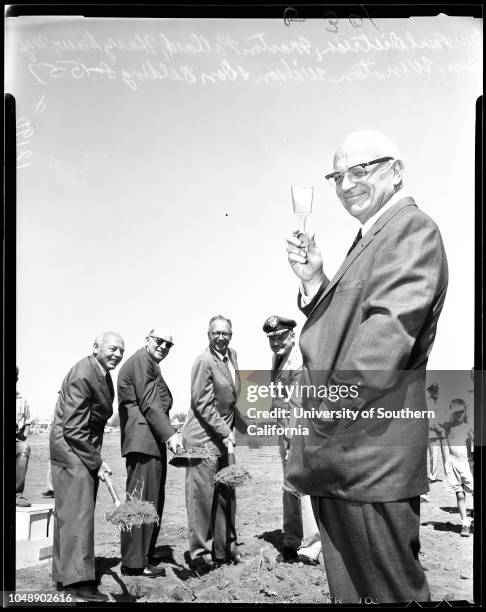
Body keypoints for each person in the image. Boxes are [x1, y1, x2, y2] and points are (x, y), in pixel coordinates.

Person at [285, 130, 448, 603]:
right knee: (354, 593)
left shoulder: (410, 229)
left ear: (396, 171)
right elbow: (345, 330)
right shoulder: (373, 236)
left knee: (389, 594)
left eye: (361, 170)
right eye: (338, 175)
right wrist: (316, 280)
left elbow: (379, 351)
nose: (346, 184)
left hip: (370, 460)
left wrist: (315, 414)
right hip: (346, 460)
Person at [50, 332, 125, 602]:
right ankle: (78, 585)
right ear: (96, 347)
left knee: (71, 514)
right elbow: (72, 427)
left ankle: (64, 577)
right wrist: (97, 461)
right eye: (113, 348)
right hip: (72, 450)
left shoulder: (103, 374)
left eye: (121, 351)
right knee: (78, 515)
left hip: (81, 447)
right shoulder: (83, 373)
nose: (117, 354)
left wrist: (95, 459)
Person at [118, 328, 183, 577]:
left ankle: (142, 553)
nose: (163, 346)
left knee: (151, 500)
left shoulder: (148, 363)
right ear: (147, 340)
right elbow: (149, 403)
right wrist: (170, 434)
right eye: (159, 341)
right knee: (141, 501)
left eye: (169, 344)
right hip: (143, 443)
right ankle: (134, 563)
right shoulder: (141, 361)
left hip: (150, 443)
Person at [182, 315, 241, 571]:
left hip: (224, 439)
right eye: (216, 333)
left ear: (231, 334)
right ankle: (200, 556)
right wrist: (225, 431)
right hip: (203, 439)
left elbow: (233, 398)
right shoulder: (203, 361)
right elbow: (202, 404)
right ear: (208, 334)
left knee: (226, 496)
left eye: (226, 333)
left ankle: (224, 549)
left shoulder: (232, 356)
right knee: (202, 500)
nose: (221, 337)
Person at [262, 315, 321, 566]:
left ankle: (311, 546)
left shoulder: (299, 359)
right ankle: (291, 540)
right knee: (289, 487)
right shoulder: (278, 359)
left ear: (292, 335)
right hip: (283, 431)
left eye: (281, 336)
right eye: (272, 338)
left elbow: (299, 400)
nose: (277, 342)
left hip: (298, 432)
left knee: (303, 488)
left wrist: (291, 435)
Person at [438, 399, 474, 537]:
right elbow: (444, 445)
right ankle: (465, 522)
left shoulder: (466, 427)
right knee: (459, 494)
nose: (458, 415)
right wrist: (447, 463)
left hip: (466, 463)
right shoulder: (446, 428)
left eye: (461, 412)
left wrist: (471, 462)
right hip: (452, 463)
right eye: (455, 412)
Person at [16, 367, 32, 507]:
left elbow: (27, 422)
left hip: (17, 439)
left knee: (24, 447)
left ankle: (17, 494)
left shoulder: (23, 399)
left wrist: (23, 436)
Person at [425, 383, 441, 483]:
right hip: (430, 430)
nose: (435, 392)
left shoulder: (437, 402)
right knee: (431, 454)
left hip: (436, 431)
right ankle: (430, 475)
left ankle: (432, 475)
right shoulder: (429, 402)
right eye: (433, 390)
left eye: (436, 390)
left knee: (434, 454)